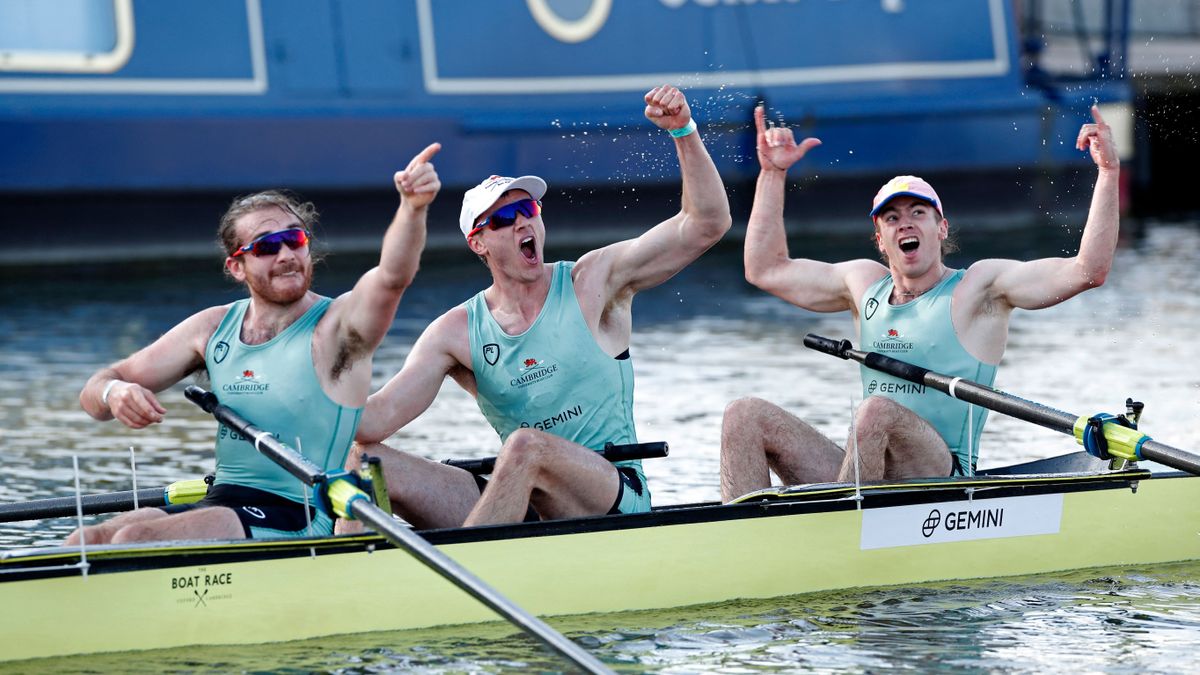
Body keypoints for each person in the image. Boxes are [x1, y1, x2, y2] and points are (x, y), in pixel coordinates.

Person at [347, 85, 731, 529]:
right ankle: (344, 574)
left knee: (528, 446)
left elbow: (707, 224)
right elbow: (371, 422)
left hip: (614, 496)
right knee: (363, 460)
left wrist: (683, 130)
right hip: (524, 501)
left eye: (528, 209)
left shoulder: (594, 281)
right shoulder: (454, 332)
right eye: (504, 220)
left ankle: (474, 575)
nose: (522, 222)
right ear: (479, 244)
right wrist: (315, 383)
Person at [719, 105, 1119, 501]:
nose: (905, 223)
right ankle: (738, 540)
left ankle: (839, 533)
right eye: (891, 218)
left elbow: (1088, 270)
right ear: (880, 240)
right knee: (744, 415)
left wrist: (1107, 173)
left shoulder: (979, 288)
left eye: (918, 212)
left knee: (875, 411)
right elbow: (764, 269)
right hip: (861, 468)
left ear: (941, 228)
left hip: (942, 475)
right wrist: (772, 174)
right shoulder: (862, 285)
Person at [66, 143, 442, 544]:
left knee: (133, 539)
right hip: (226, 498)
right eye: (265, 246)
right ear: (236, 266)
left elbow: (391, 277)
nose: (285, 254)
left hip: (300, 511)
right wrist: (114, 391)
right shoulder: (211, 328)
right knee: (87, 540)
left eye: (294, 240)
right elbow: (96, 393)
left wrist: (412, 208)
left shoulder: (338, 326)